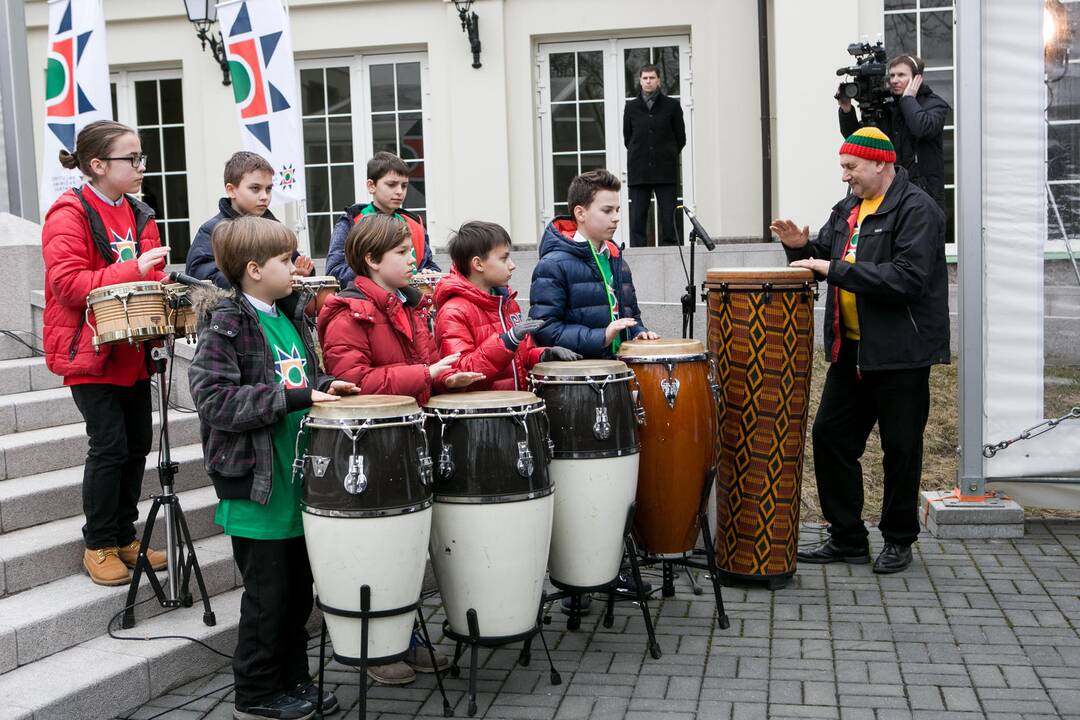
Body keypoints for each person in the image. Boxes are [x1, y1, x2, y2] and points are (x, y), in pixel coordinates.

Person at [188, 216, 358, 720]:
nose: (298, 266)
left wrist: (328, 383)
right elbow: (215, 400)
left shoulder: (290, 315)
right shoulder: (227, 323)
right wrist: (298, 395)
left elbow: (299, 373)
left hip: (299, 482)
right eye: (287, 260)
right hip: (259, 489)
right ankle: (257, 693)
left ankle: (293, 678)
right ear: (255, 269)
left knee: (296, 597)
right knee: (267, 602)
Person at [770, 127, 949, 575]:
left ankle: (898, 539)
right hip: (850, 349)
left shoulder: (918, 209)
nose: (845, 176)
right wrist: (798, 247)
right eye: (843, 167)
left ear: (880, 164)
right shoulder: (848, 207)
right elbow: (824, 256)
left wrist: (835, 268)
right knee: (831, 438)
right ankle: (847, 537)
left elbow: (906, 278)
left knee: (900, 448)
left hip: (902, 352)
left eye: (851, 167)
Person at [318, 212, 479, 685]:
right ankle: (378, 648)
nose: (415, 260)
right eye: (404, 254)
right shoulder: (346, 312)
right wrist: (427, 377)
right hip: (369, 447)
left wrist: (447, 376)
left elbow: (426, 363)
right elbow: (356, 382)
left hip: (408, 438)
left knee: (407, 551)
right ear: (371, 260)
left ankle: (405, 638)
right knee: (379, 552)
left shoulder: (407, 305)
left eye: (412, 251)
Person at [41, 120, 170, 586]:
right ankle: (98, 544)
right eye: (131, 159)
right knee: (110, 445)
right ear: (97, 165)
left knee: (137, 444)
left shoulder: (141, 212)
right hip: (89, 352)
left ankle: (124, 535)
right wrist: (133, 268)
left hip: (132, 350)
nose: (140, 167)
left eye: (141, 158)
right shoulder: (68, 213)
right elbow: (67, 286)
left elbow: (151, 279)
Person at [434, 221, 580, 391]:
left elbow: (520, 357)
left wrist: (544, 354)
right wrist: (506, 342)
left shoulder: (506, 303)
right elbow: (462, 372)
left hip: (515, 411)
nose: (512, 265)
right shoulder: (453, 312)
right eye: (504, 258)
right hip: (484, 414)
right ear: (478, 264)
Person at [529, 169, 659, 358]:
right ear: (580, 213)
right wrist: (601, 337)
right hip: (580, 380)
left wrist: (638, 332)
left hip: (619, 372)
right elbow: (544, 330)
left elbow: (630, 317)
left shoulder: (617, 260)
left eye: (617, 210)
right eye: (607, 210)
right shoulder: (552, 265)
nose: (616, 217)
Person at [185, 151, 315, 288]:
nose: (265, 196)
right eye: (255, 188)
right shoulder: (212, 231)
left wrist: (300, 273)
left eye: (269, 189)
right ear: (231, 190)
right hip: (231, 309)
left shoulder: (275, 228)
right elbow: (199, 277)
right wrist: (260, 277)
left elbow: (291, 266)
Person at [838, 54, 949, 210]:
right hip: (891, 191)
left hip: (924, 194)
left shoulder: (935, 104)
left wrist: (908, 99)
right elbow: (860, 142)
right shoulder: (888, 107)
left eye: (901, 75)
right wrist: (846, 110)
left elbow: (922, 129)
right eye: (892, 75)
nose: (895, 80)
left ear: (917, 78)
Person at [325, 152, 439, 286]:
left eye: (404, 186)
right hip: (366, 302)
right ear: (371, 186)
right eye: (391, 184)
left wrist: (429, 273)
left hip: (411, 303)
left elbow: (430, 266)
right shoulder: (349, 223)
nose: (400, 192)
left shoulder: (414, 224)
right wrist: (382, 272)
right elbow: (334, 272)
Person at [623, 63, 686, 247]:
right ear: (640, 81)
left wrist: (668, 153)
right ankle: (639, 250)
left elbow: (680, 137)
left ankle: (672, 248)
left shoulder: (672, 106)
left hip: (665, 171)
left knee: (669, 215)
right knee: (637, 216)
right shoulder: (631, 107)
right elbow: (628, 138)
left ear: (658, 80)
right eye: (645, 78)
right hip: (639, 171)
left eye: (652, 78)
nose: (648, 81)